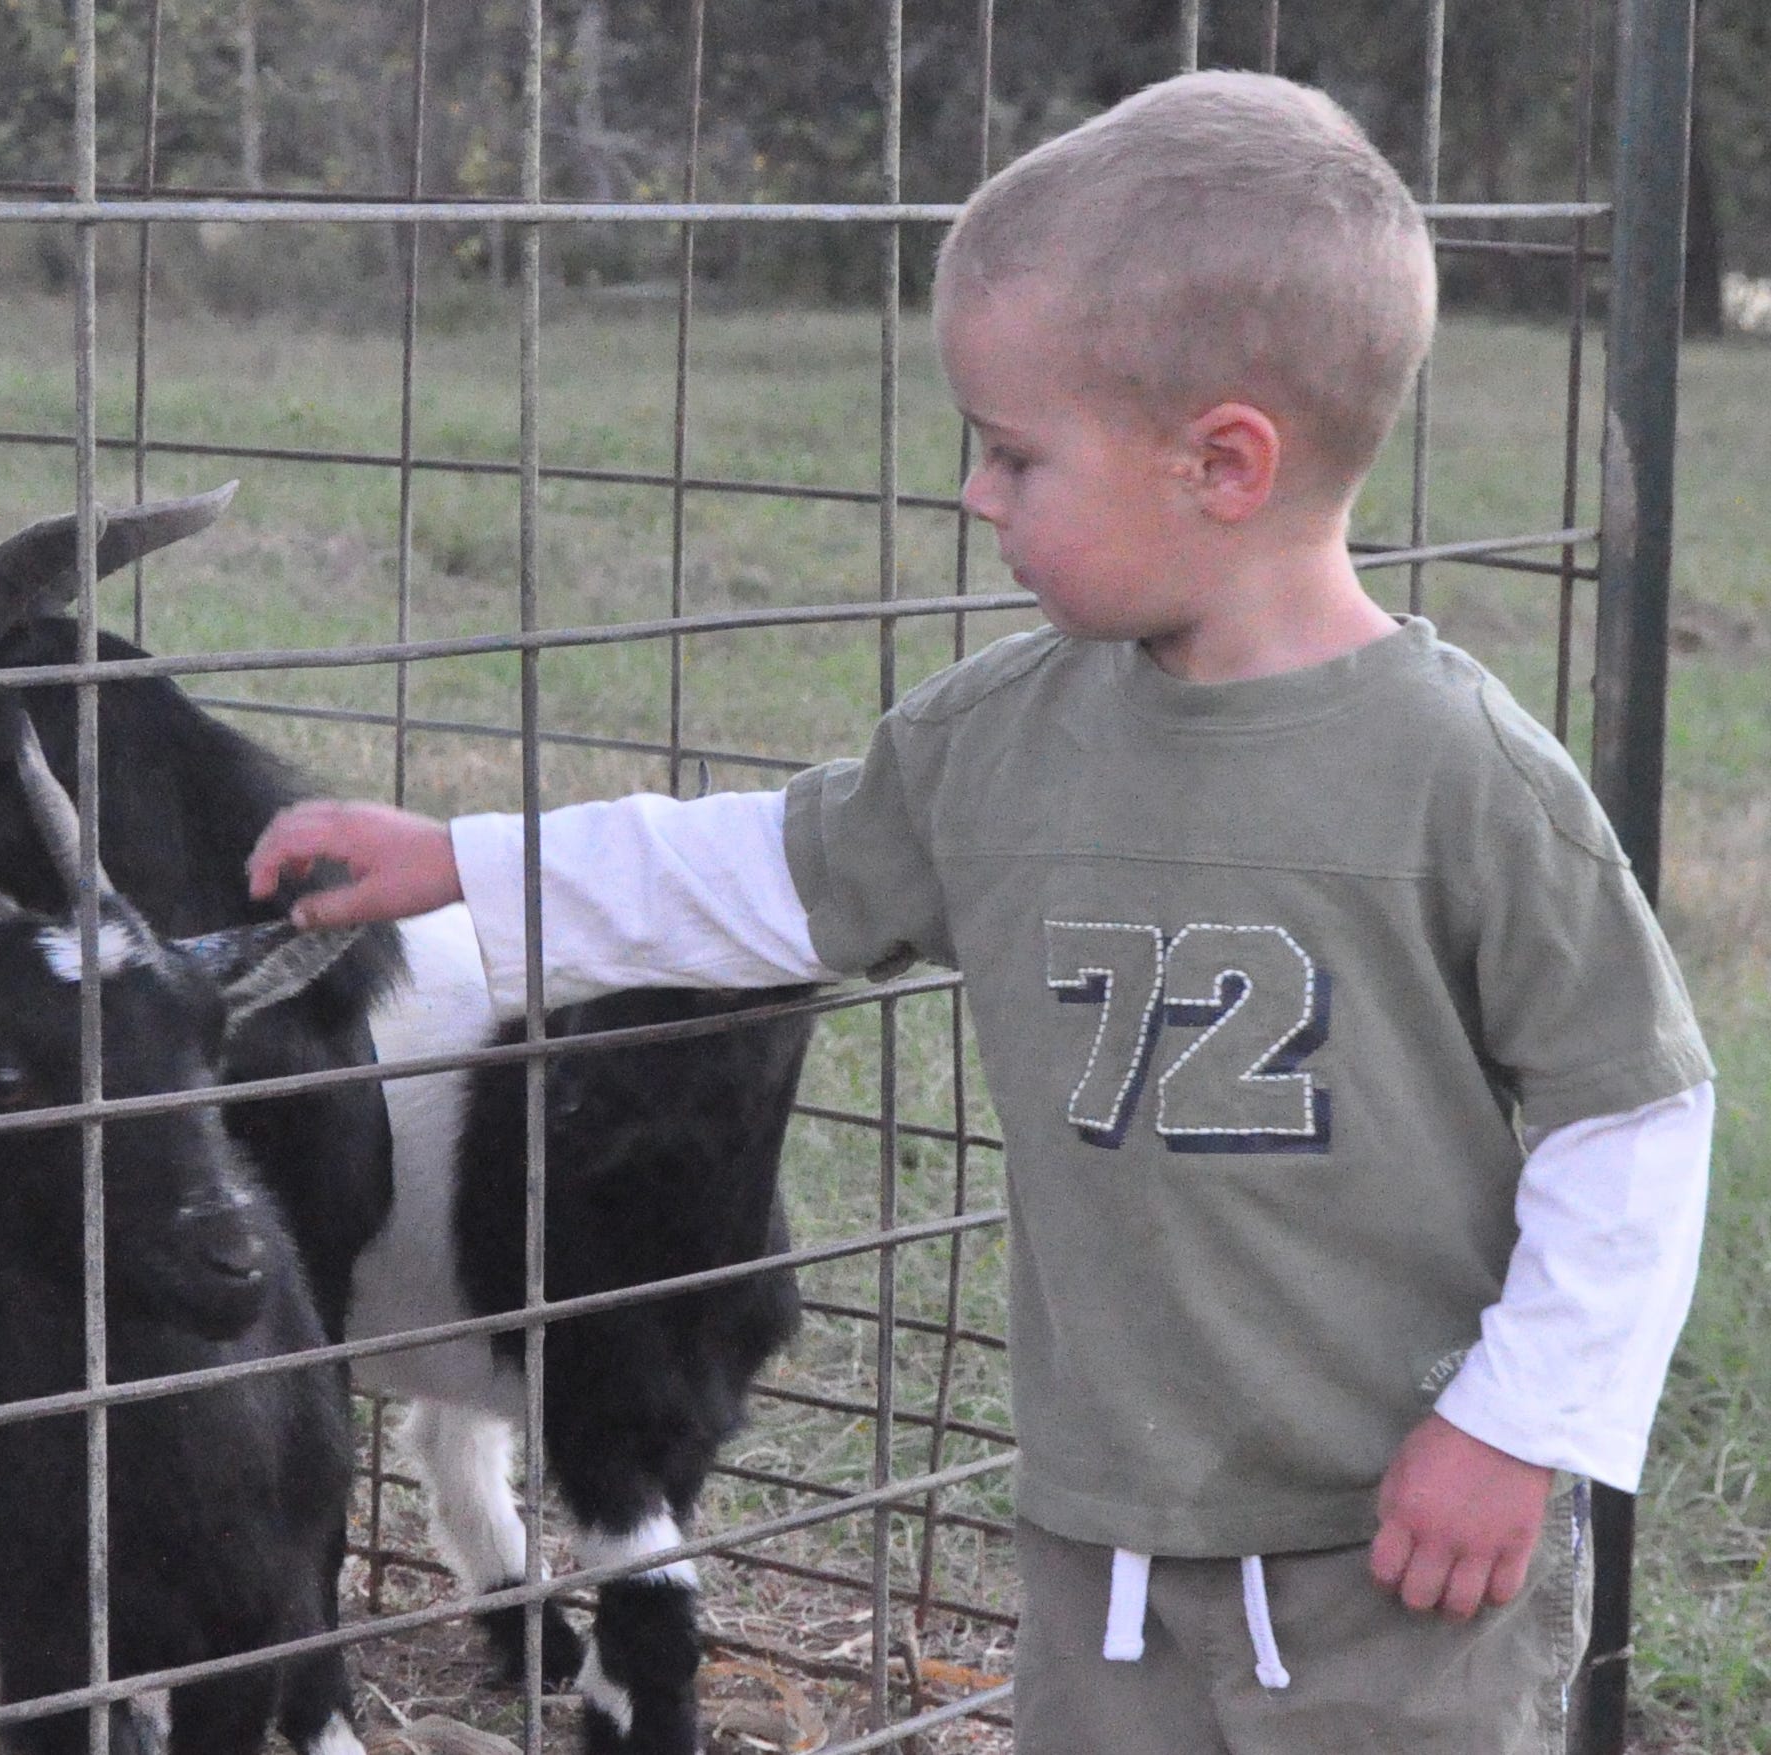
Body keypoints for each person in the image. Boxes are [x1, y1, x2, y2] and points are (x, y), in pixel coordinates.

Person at [246, 70, 1715, 1754]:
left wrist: (1519, 1427)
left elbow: (1636, 1107)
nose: (978, 497)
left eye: (1015, 454)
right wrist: (465, 864)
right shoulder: (995, 745)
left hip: (1400, 1559)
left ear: (1222, 462)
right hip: (1104, 1543)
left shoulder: (1468, 787)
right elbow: (759, 880)